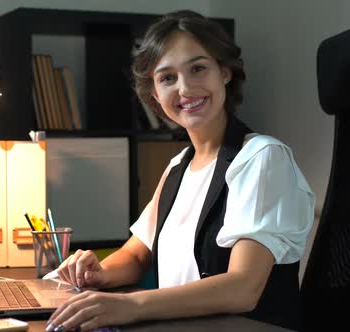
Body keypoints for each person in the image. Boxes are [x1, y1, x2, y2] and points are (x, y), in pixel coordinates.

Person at [46, 10, 314, 332]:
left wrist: (129, 305)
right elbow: (135, 255)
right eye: (167, 78)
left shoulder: (261, 158)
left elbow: (242, 289)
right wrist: (97, 273)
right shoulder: (178, 166)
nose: (185, 88)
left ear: (225, 73)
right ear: (155, 96)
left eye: (198, 68)